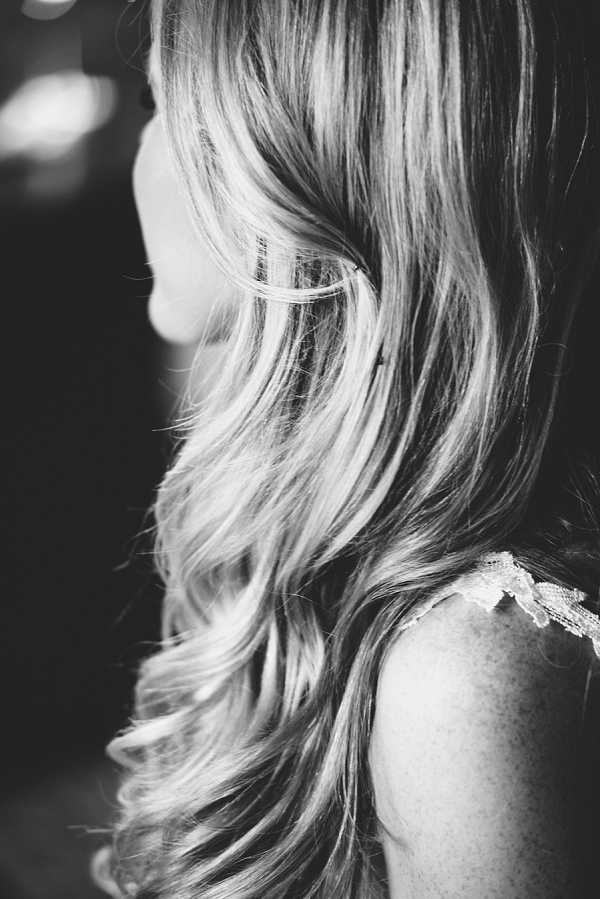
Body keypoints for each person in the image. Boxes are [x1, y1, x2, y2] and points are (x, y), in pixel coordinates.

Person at [96, 1, 600, 896]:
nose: (142, 149)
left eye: (156, 100)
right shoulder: (367, 540)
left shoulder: (467, 674)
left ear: (306, 165)